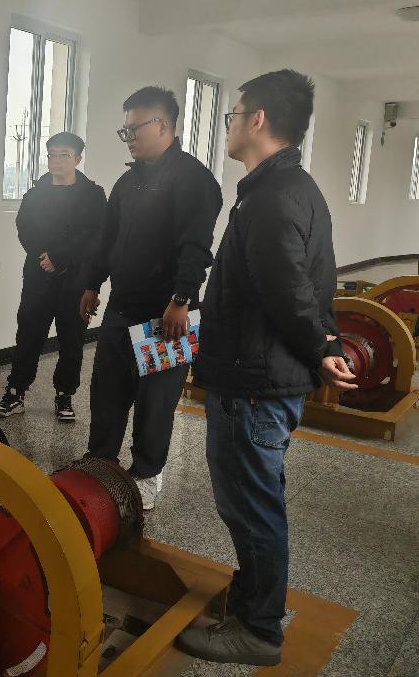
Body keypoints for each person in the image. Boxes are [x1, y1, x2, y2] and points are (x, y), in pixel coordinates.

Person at [176, 70, 356, 666]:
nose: (227, 125)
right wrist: (324, 344)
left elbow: (291, 293)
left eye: (233, 114)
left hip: (253, 382)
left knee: (252, 509)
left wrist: (322, 349)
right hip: (263, 377)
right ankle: (255, 595)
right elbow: (304, 286)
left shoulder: (273, 197)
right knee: (259, 501)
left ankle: (257, 630)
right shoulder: (289, 187)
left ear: (257, 120)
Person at [80, 86, 222, 510]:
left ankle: (146, 474)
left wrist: (181, 298)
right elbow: (107, 239)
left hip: (167, 314)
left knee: (155, 402)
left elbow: (195, 246)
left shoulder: (194, 180)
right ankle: (100, 463)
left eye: (134, 128)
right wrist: (92, 283)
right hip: (122, 307)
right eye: (123, 130)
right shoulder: (128, 181)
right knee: (107, 391)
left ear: (162, 125)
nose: (128, 137)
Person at [0, 132, 105, 423]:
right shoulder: (35, 193)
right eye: (52, 154)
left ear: (77, 158)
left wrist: (59, 256)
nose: (57, 160)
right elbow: (24, 226)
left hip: (75, 279)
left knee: (72, 340)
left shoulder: (92, 194)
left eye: (64, 155)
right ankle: (15, 392)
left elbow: (94, 234)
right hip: (38, 276)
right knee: (28, 335)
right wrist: (44, 255)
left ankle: (64, 394)